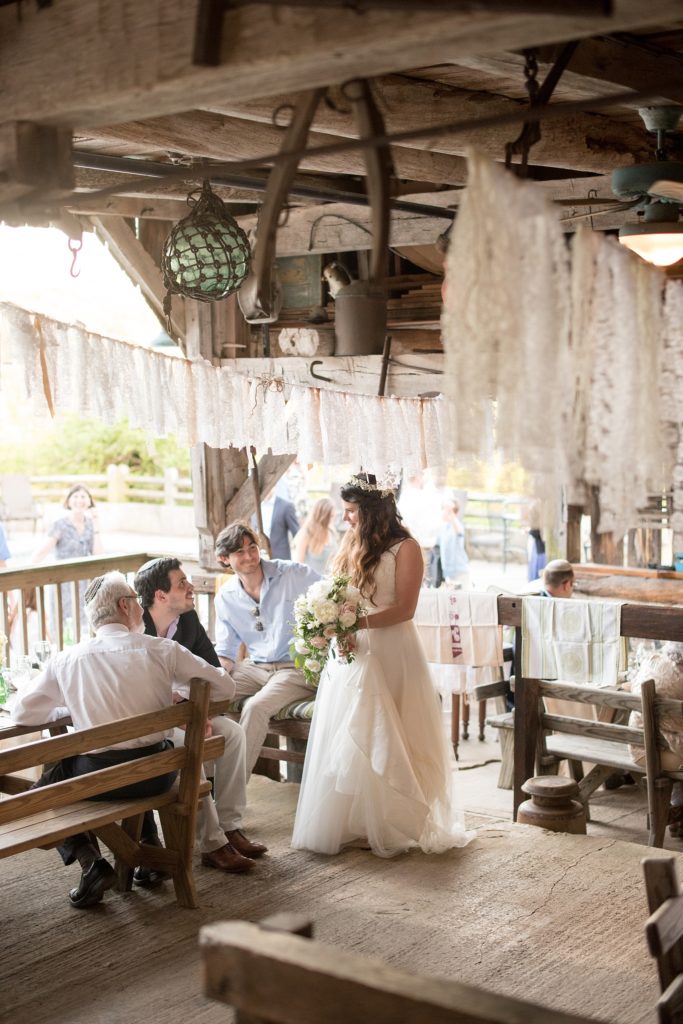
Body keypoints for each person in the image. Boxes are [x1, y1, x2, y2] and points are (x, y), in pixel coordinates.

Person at [10, 571, 236, 909]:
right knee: (119, 757)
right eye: (135, 599)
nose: (141, 608)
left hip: (103, 782)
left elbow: (22, 715)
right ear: (124, 606)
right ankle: (146, 843)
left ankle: (92, 863)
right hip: (159, 776)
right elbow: (224, 687)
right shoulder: (162, 650)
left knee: (46, 788)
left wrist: (65, 707)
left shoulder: (68, 659)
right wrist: (179, 694)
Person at [291, 473, 473, 858]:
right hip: (353, 649)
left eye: (352, 512)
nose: (346, 520)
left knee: (394, 733)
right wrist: (334, 623)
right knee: (353, 732)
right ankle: (356, 822)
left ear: (373, 510)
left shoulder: (406, 548)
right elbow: (342, 593)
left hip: (392, 648)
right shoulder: (351, 543)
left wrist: (355, 623)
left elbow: (404, 609)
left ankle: (397, 821)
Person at [134, 557, 267, 872]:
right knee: (189, 746)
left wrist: (194, 711)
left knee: (232, 734)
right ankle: (213, 843)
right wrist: (183, 713)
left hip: (187, 713)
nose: (191, 587)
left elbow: (214, 673)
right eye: (182, 583)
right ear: (160, 596)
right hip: (149, 724)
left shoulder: (189, 620)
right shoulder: (135, 630)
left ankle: (231, 825)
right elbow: (136, 694)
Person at [214, 522, 320, 774]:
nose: (250, 556)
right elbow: (226, 653)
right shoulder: (226, 597)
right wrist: (215, 678)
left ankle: (230, 797)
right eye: (239, 552)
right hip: (255, 668)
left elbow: (334, 594)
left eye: (252, 548)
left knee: (255, 707)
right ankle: (202, 787)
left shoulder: (293, 574)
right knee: (205, 699)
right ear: (224, 559)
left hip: (294, 668)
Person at [31, 484, 104, 636]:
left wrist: (96, 523)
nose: (79, 500)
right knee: (61, 626)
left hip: (85, 584)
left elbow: (99, 555)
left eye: (83, 496)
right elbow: (43, 550)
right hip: (62, 583)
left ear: (89, 501)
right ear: (68, 501)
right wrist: (28, 568)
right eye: (75, 496)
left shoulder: (91, 524)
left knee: (84, 626)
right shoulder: (60, 525)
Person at [628, 641, 683, 837]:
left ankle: (677, 816)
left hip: (637, 746)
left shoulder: (654, 661)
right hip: (658, 755)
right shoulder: (680, 677)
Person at [251, 482, 299, 560]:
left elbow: (297, 534)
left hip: (281, 559)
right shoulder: (253, 507)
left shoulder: (286, 506)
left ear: (275, 486)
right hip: (259, 558)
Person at [293, 497, 338, 574]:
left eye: (333, 516)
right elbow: (298, 566)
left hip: (329, 582)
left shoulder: (332, 532)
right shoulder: (306, 533)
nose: (332, 519)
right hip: (309, 583)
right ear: (322, 516)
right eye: (330, 516)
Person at [436, 496, 469, 587]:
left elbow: (458, 531)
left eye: (445, 509)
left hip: (460, 571)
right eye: (443, 509)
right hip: (448, 573)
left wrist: (450, 511)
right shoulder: (443, 528)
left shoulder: (456, 525)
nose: (443, 512)